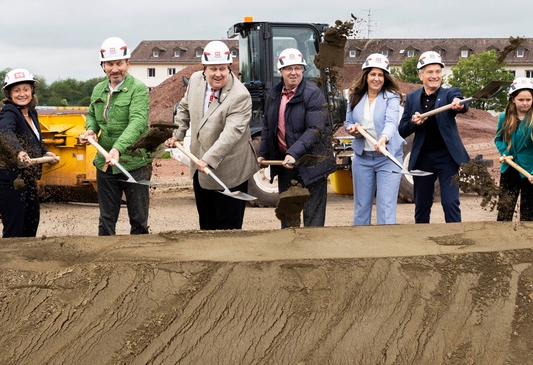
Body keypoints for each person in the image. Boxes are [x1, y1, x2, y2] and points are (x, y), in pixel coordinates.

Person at [166, 40, 256, 230]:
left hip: (230, 172)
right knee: (206, 226)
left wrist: (208, 159)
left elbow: (231, 134)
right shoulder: (196, 81)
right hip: (200, 169)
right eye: (213, 68)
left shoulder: (240, 95)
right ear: (204, 68)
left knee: (228, 230)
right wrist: (178, 133)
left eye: (222, 68)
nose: (218, 74)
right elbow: (184, 107)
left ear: (229, 67)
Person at [78, 37, 152, 235]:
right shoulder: (98, 89)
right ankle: (106, 261)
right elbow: (93, 115)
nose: (115, 69)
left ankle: (138, 259)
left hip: (135, 162)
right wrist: (91, 129)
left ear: (128, 63)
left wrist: (118, 148)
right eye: (110, 64)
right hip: (105, 163)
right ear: (103, 65)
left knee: (138, 219)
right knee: (107, 218)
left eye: (119, 63)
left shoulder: (139, 89)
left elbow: (137, 122)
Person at [257, 47, 336, 227]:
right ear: (281, 71)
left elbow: (314, 129)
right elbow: (269, 127)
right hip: (287, 166)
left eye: (298, 68)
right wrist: (263, 154)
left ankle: (312, 253)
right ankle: (290, 252)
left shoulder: (313, 94)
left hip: (312, 163)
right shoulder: (274, 95)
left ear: (303, 70)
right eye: (288, 68)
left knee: (313, 219)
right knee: (289, 216)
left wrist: (293, 153)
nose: (293, 72)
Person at [398, 51, 470, 223]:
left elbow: (461, 102)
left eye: (438, 72)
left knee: (450, 202)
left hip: (447, 157)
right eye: (430, 72)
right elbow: (402, 129)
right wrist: (414, 122)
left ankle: (455, 237)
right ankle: (423, 240)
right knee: (422, 205)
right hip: (423, 158)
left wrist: (458, 105)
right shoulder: (412, 98)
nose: (434, 76)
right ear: (420, 74)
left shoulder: (449, 94)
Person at [0, 69, 60, 237]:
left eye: (26, 89)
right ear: (9, 93)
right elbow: (6, 132)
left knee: (31, 223)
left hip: (26, 176)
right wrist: (18, 152)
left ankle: (25, 261)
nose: (22, 94)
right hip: (9, 178)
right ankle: (9, 262)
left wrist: (46, 153)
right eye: (17, 90)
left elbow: (32, 141)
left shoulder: (32, 113)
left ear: (32, 91)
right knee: (15, 229)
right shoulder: (9, 112)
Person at [344, 53, 404, 225]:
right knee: (361, 207)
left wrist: (383, 138)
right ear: (366, 76)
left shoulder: (391, 97)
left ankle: (385, 247)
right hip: (362, 158)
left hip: (387, 158)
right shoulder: (354, 96)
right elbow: (348, 123)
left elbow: (391, 122)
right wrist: (353, 130)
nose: (376, 78)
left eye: (380, 75)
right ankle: (362, 247)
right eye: (373, 74)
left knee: (385, 207)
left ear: (385, 78)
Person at [494, 78, 533, 222]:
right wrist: (505, 152)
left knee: (529, 212)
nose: (525, 103)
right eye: (521, 100)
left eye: (528, 100)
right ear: (513, 99)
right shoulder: (504, 117)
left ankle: (528, 240)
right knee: (505, 210)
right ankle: (503, 239)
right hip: (509, 167)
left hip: (531, 170)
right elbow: (498, 139)